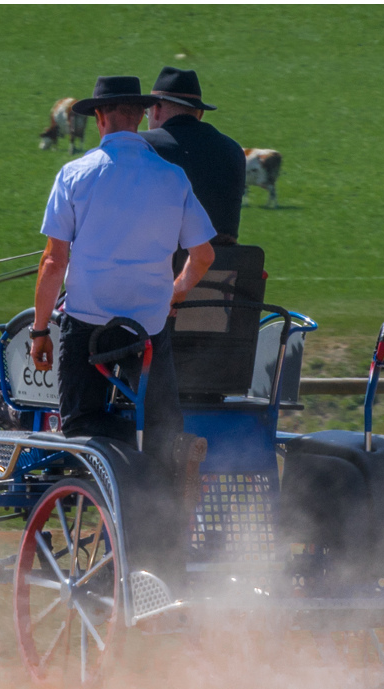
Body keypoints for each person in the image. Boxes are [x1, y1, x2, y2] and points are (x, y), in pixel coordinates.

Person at [30, 75, 216, 469]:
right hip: (148, 324)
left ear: (99, 118)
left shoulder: (74, 175)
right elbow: (203, 256)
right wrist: (174, 292)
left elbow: (53, 262)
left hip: (87, 321)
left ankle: (122, 460)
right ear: (141, 116)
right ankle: (167, 456)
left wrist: (40, 330)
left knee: (80, 421)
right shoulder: (173, 177)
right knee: (165, 423)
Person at [139, 67, 248, 243]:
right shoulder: (233, 149)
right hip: (227, 264)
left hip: (166, 263)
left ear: (156, 109)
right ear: (200, 113)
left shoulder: (143, 145)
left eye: (147, 112)